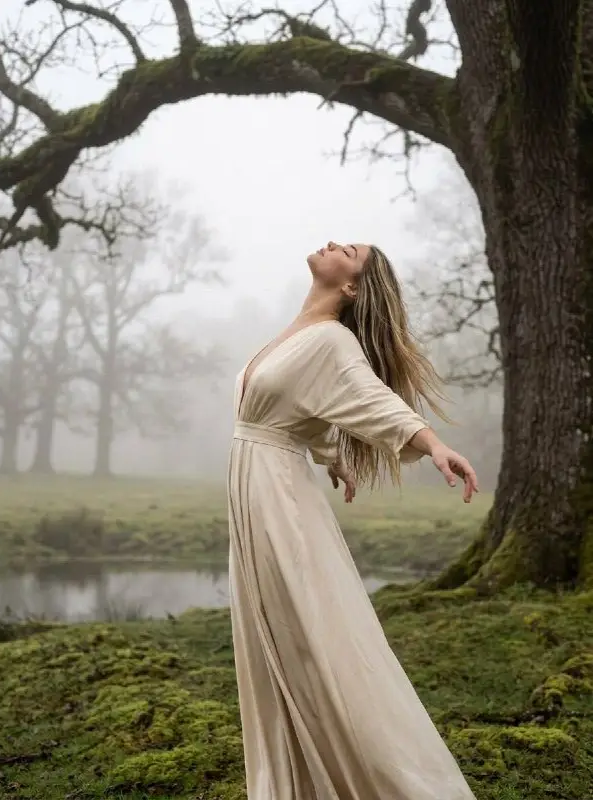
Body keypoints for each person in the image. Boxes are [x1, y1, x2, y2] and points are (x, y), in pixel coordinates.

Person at [228, 241, 479, 800]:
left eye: (350, 251)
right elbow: (303, 407)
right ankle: (294, 778)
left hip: (279, 504)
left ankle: (382, 773)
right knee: (277, 636)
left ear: (353, 288)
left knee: (313, 637)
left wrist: (433, 444)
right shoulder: (296, 333)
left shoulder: (334, 341)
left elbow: (371, 400)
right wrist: (334, 457)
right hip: (258, 493)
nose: (334, 243)